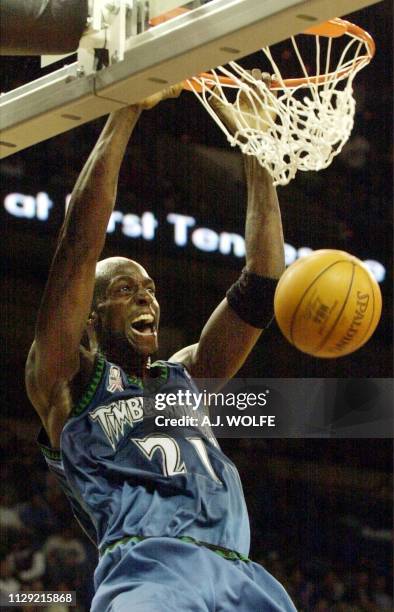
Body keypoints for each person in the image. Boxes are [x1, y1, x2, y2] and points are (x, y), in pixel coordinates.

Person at [26, 81, 296, 611]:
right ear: (92, 318)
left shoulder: (186, 376)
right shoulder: (66, 381)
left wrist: (257, 152)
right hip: (151, 570)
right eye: (125, 290)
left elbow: (262, 286)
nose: (145, 296)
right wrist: (128, 103)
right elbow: (79, 244)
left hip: (243, 578)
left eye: (149, 288)